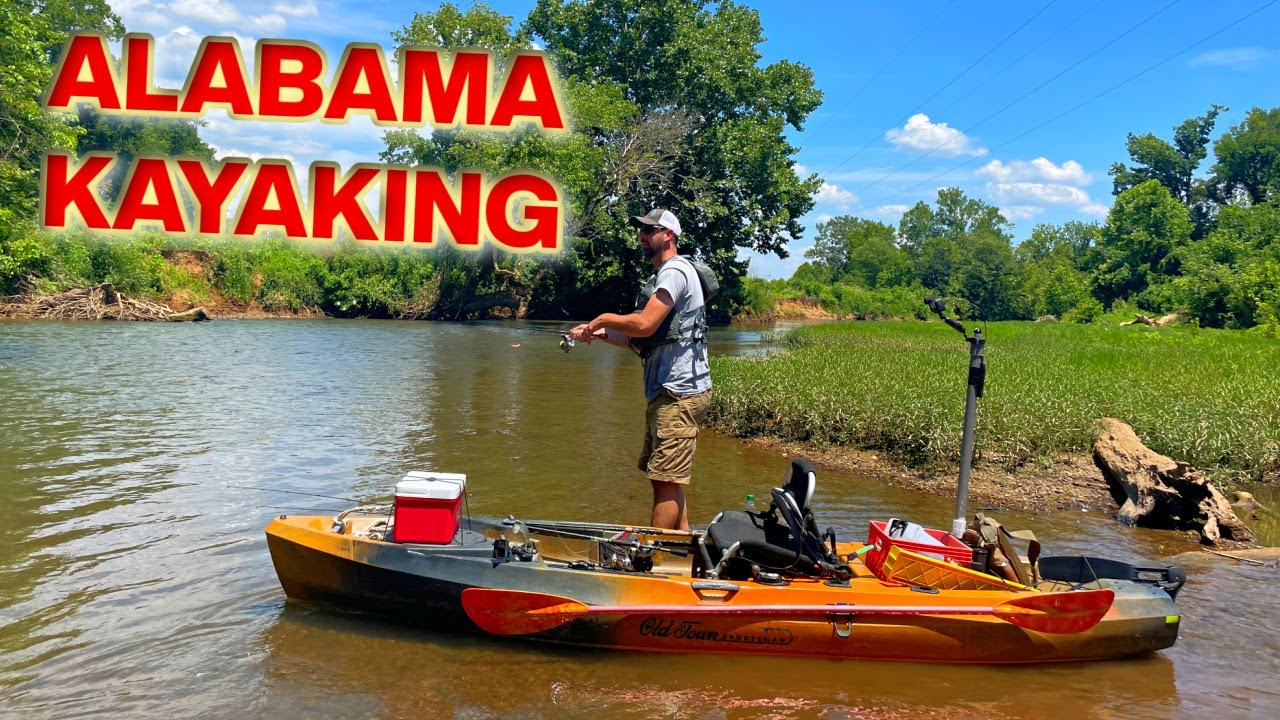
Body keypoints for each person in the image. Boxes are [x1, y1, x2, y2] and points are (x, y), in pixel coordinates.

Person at [571, 209, 712, 530]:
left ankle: (655, 557)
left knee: (665, 481)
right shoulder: (667, 274)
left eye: (651, 230)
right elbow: (642, 340)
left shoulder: (674, 272)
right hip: (670, 393)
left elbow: (645, 324)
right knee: (667, 479)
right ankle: (681, 548)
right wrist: (598, 333)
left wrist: (603, 318)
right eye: (642, 230)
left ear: (669, 236)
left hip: (679, 393)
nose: (643, 235)